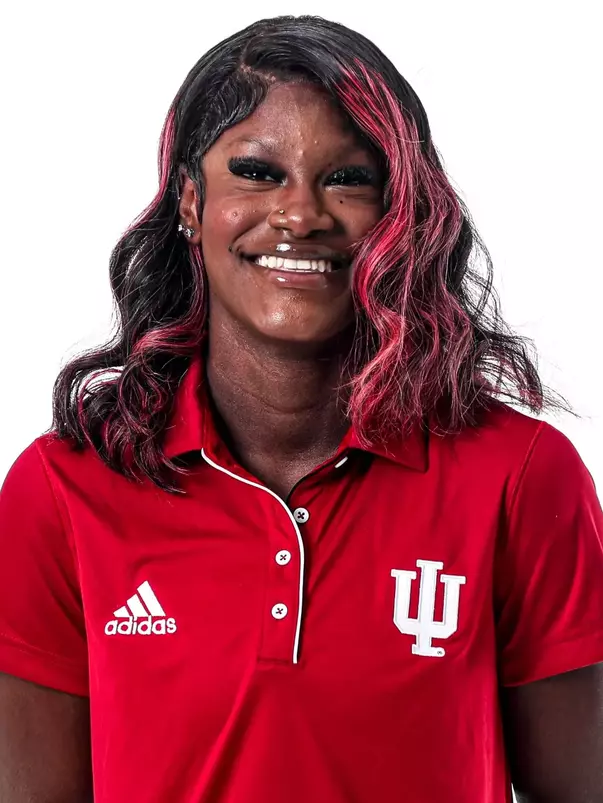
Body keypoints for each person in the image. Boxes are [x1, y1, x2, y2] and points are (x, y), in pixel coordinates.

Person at [0, 13, 602, 803]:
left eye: (347, 179)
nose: (300, 215)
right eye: (256, 172)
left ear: (399, 215)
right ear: (189, 200)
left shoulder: (518, 474)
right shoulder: (65, 487)